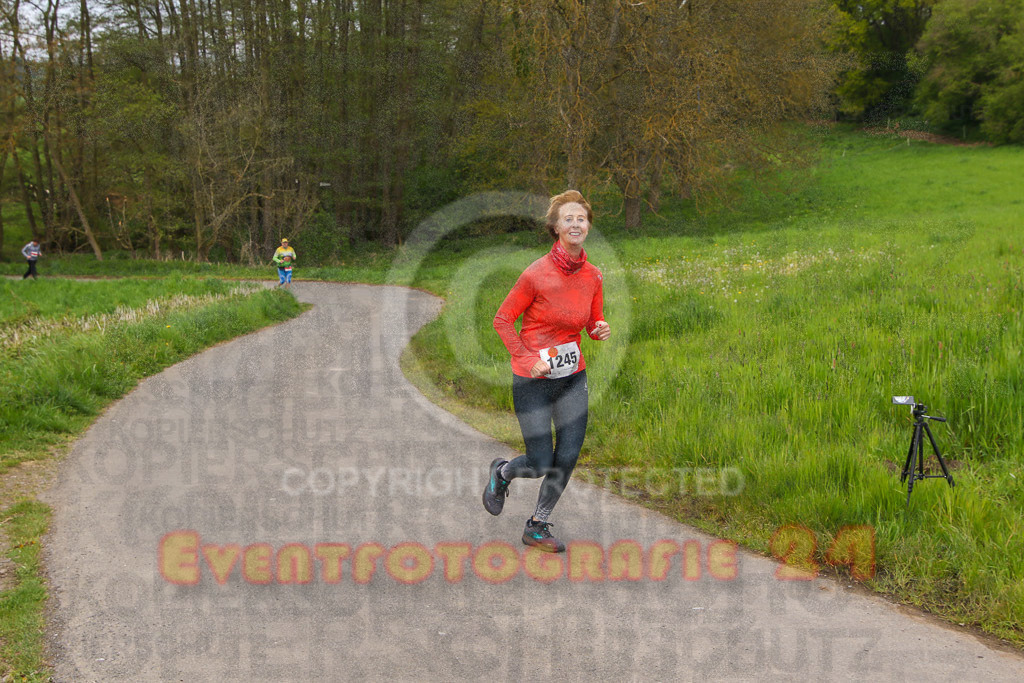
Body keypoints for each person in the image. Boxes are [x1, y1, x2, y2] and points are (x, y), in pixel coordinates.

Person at [485, 190, 612, 553]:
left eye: (582, 218)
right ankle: (503, 473)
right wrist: (527, 360)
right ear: (555, 227)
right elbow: (503, 320)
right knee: (540, 461)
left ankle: (537, 525)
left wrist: (598, 328)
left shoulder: (593, 276)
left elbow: (590, 320)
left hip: (572, 377)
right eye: (568, 218)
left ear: (588, 226)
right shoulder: (535, 274)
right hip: (533, 381)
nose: (576, 223)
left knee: (568, 455)